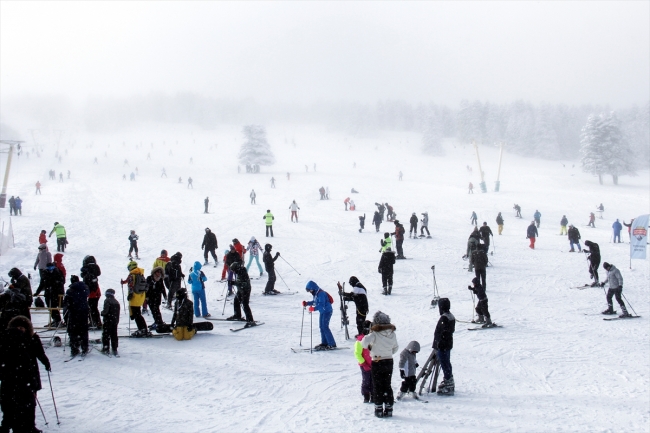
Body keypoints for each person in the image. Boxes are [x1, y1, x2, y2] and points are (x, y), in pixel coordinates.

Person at [0, 315, 50, 433]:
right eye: (18, 327)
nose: (20, 330)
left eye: (22, 327)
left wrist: (46, 362)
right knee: (13, 403)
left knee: (29, 401)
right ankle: (8, 425)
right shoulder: (8, 339)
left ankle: (29, 424)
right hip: (17, 375)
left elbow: (39, 352)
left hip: (28, 372)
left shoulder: (32, 338)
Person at [362, 311, 398, 418]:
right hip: (389, 361)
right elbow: (396, 348)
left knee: (377, 385)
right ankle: (389, 406)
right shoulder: (392, 333)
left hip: (377, 361)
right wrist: (388, 352)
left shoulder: (374, 334)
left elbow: (363, 343)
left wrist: (371, 347)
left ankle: (378, 407)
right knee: (387, 384)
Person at [303, 280, 336, 350]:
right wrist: (307, 303)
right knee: (321, 327)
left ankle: (332, 344)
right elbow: (315, 302)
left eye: (310, 290)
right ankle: (324, 342)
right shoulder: (316, 294)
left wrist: (313, 309)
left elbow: (322, 305)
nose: (310, 292)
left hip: (327, 311)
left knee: (325, 327)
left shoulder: (321, 294)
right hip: (323, 312)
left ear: (313, 288)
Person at [433, 298, 455, 396]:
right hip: (448, 344)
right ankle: (449, 380)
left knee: (445, 363)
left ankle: (448, 382)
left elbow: (440, 332)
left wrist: (437, 344)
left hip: (443, 345)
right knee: (446, 363)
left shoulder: (444, 318)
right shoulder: (451, 316)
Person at [121, 261, 149, 337]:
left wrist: (130, 294)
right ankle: (143, 328)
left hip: (134, 297)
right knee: (138, 313)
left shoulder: (132, 275)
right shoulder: (140, 273)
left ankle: (142, 329)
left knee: (136, 314)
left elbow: (130, 285)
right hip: (140, 297)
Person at [63, 275, 90, 356]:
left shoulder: (70, 291)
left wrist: (69, 305)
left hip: (74, 312)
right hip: (84, 312)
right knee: (84, 330)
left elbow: (66, 303)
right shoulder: (85, 289)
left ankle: (74, 348)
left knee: (73, 331)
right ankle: (84, 348)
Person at [34, 262, 65, 327]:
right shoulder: (45, 273)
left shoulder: (58, 272)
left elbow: (62, 282)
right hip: (48, 293)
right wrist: (37, 292)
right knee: (50, 307)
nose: (50, 269)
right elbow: (42, 283)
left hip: (56, 293)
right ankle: (55, 320)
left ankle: (58, 320)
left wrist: (56, 285)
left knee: (54, 307)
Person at [354, 320, 373, 403]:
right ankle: (366, 395)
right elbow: (357, 353)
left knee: (373, 380)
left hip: (373, 364)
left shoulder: (372, 339)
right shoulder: (360, 340)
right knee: (366, 380)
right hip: (365, 364)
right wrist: (363, 363)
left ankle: (373, 394)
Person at [81, 255, 102, 329]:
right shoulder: (94, 270)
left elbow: (90, 283)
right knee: (93, 307)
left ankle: (94, 322)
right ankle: (96, 322)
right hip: (95, 292)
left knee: (92, 307)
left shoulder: (89, 272)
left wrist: (87, 291)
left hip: (92, 292)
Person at [100, 288, 120, 356]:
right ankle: (114, 348)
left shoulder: (107, 301)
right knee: (114, 334)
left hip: (108, 320)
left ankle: (106, 348)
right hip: (115, 320)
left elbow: (106, 311)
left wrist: (102, 313)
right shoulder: (116, 301)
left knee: (106, 334)